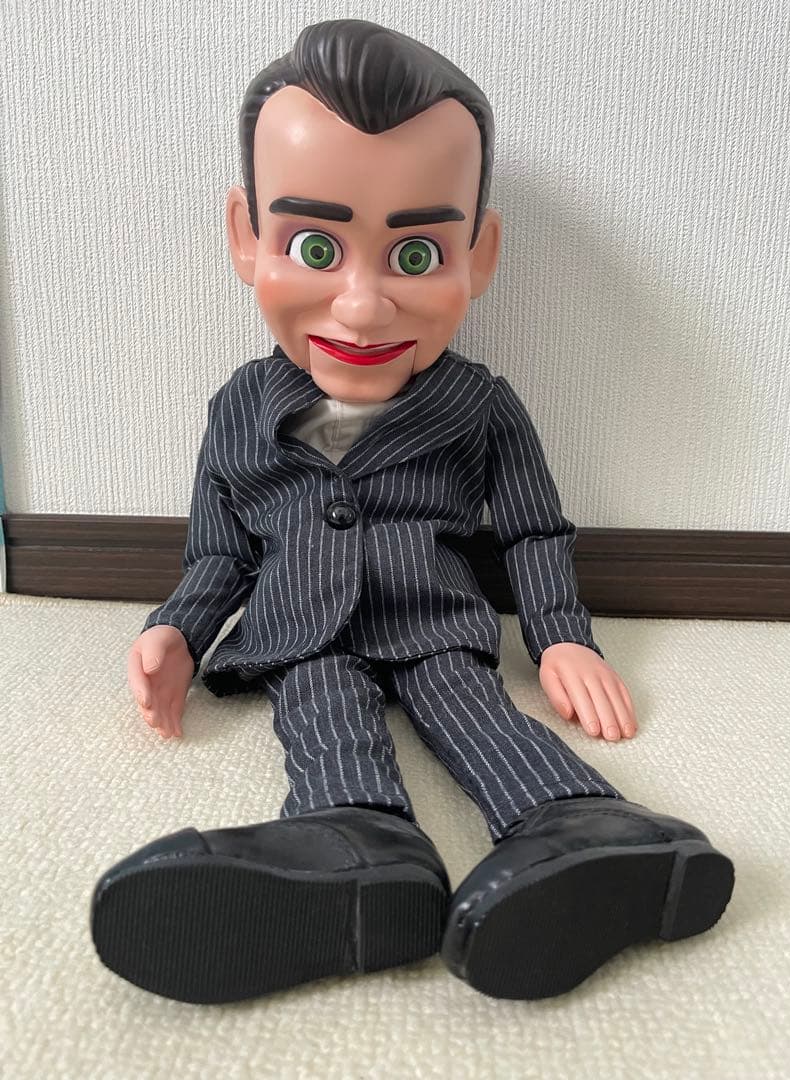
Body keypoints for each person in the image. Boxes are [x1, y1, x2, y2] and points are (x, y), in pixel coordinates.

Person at [91, 19, 734, 1005]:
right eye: (315, 246)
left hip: (436, 624)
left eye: (417, 253)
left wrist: (561, 635)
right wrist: (177, 627)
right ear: (246, 238)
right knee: (321, 710)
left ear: (480, 255)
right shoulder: (240, 410)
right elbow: (219, 550)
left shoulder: (478, 406)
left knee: (476, 710)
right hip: (301, 631)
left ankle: (585, 831)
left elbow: (531, 528)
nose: (360, 306)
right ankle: (355, 850)